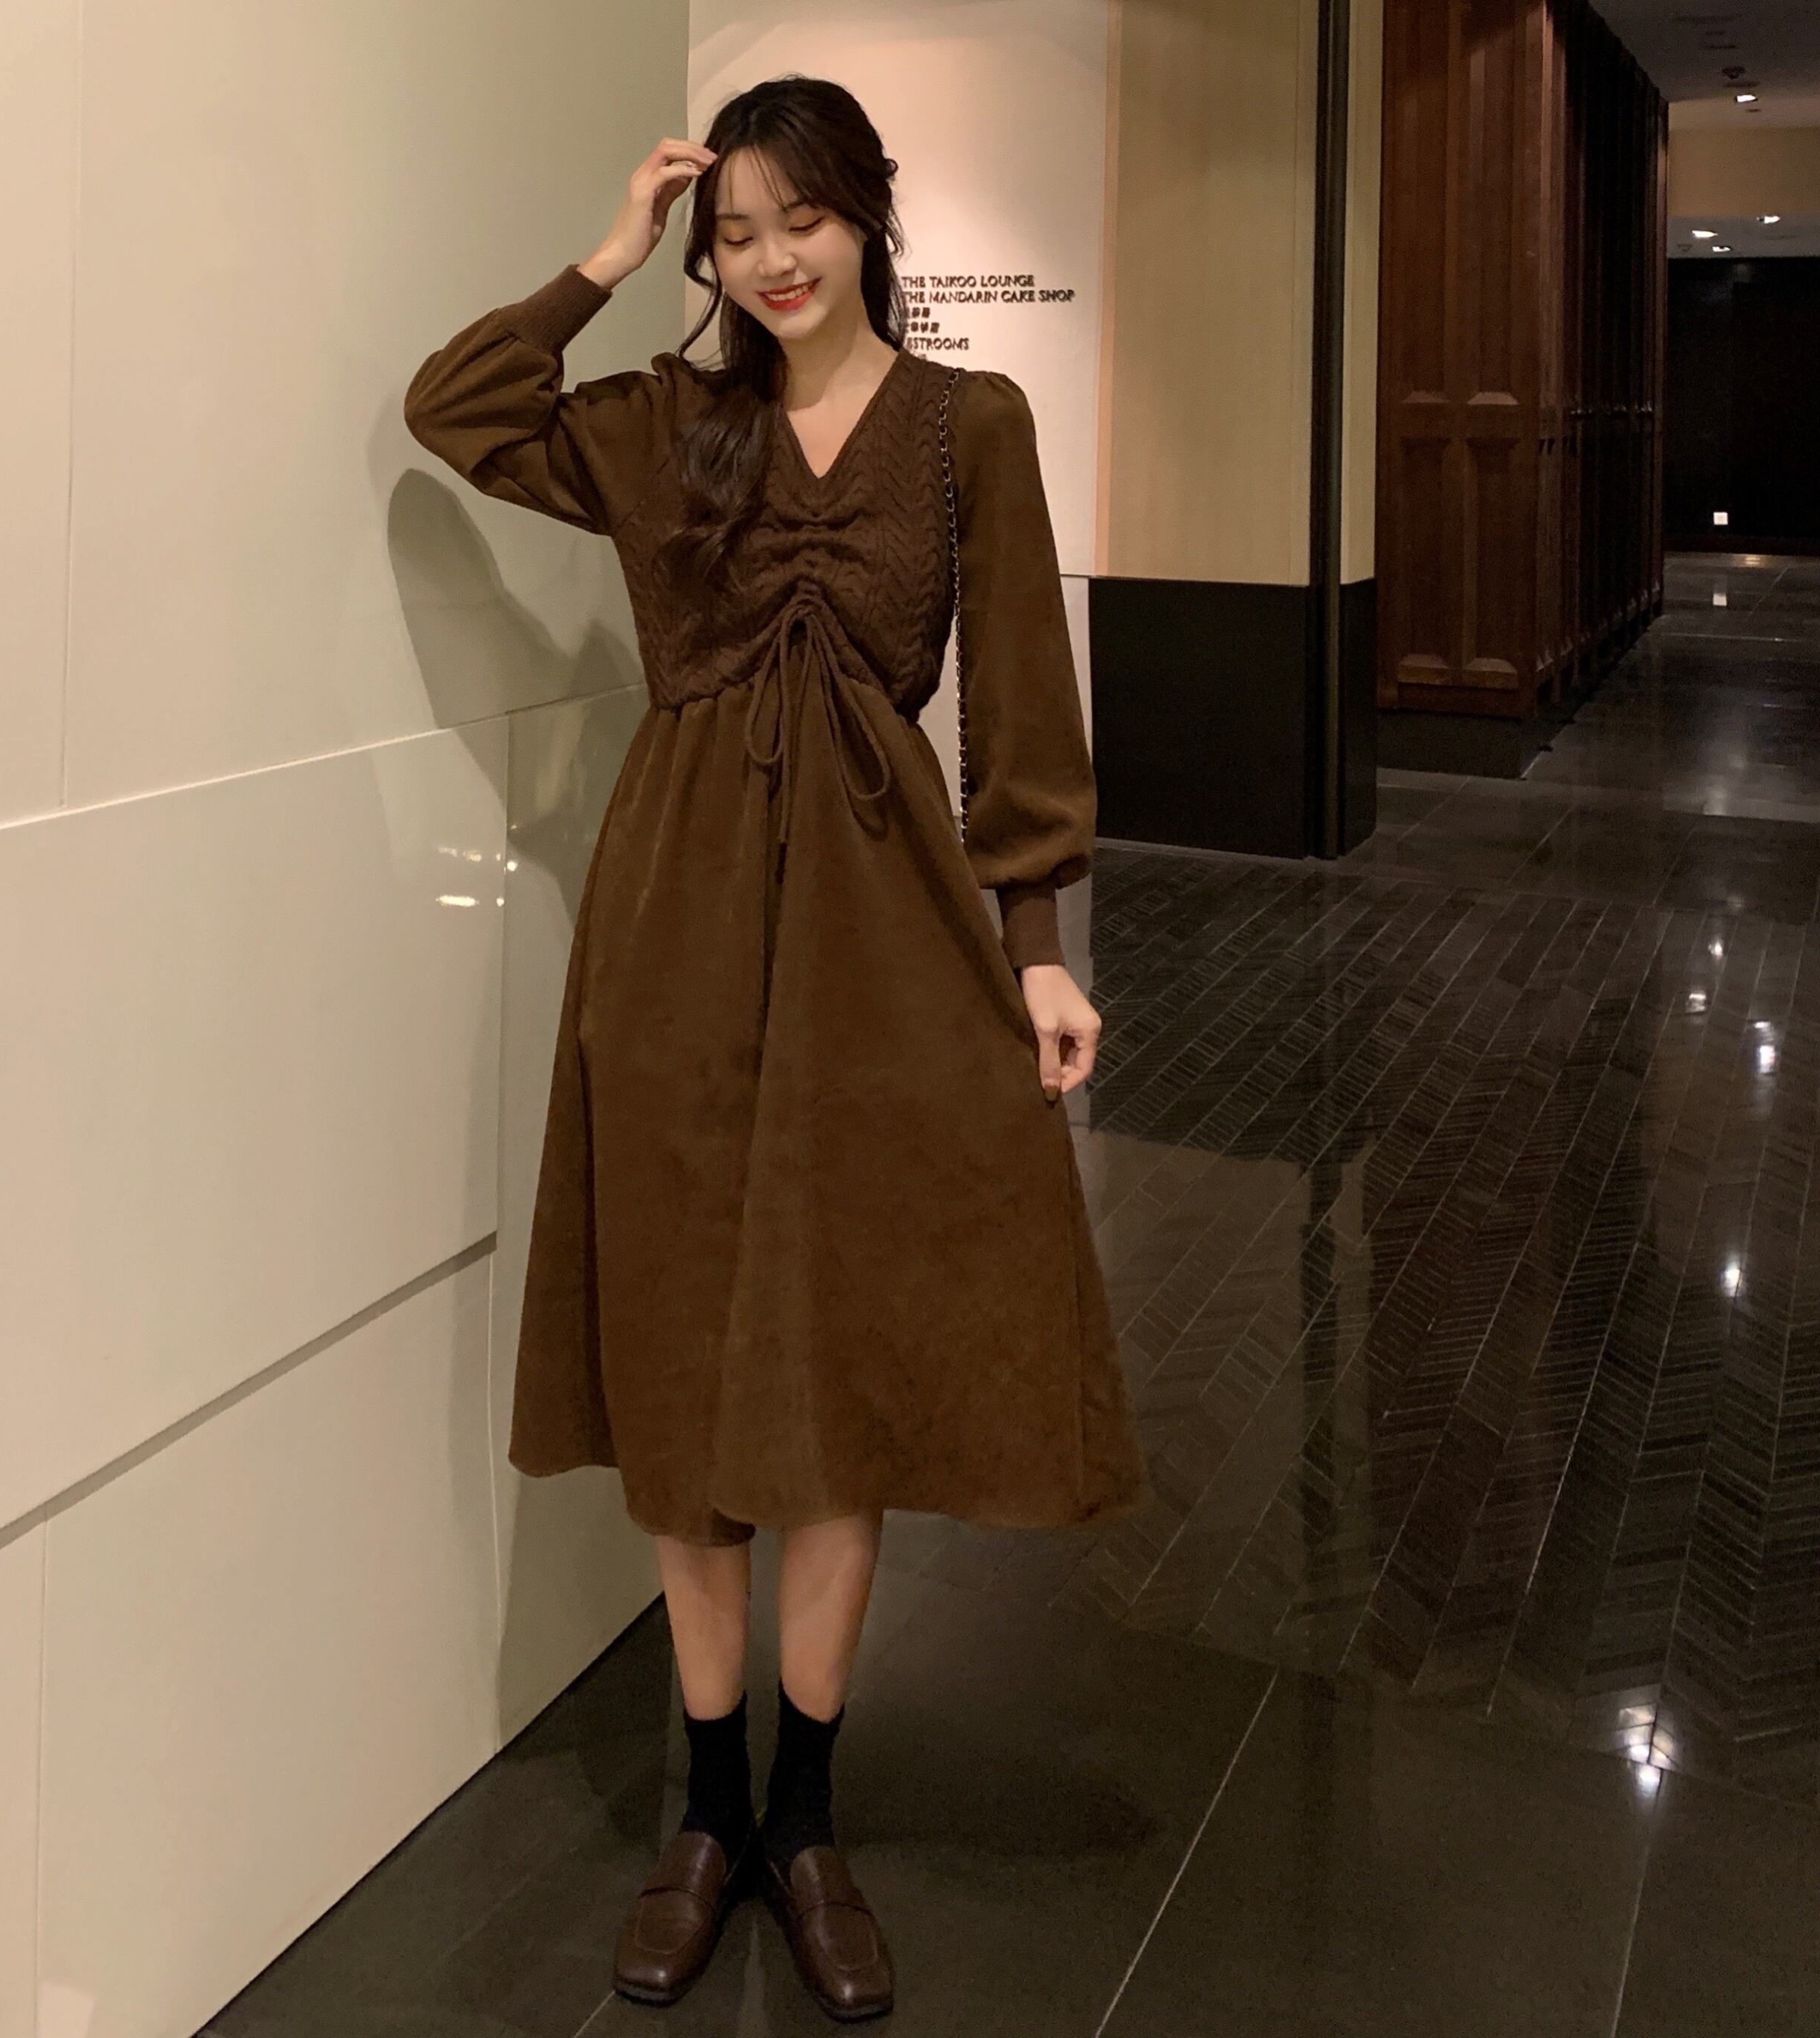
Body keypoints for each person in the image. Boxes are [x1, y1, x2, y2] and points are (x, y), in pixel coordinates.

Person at [403, 73, 1147, 2023]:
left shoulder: (968, 425)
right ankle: (706, 1814)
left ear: (865, 213)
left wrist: (1039, 948)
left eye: (797, 218)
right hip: (669, 935)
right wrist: (606, 256)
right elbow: (460, 408)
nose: (769, 260)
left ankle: (806, 1819)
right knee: (681, 1357)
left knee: (841, 1353)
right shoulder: (667, 421)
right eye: (732, 232)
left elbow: (1023, 693)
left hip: (886, 938)